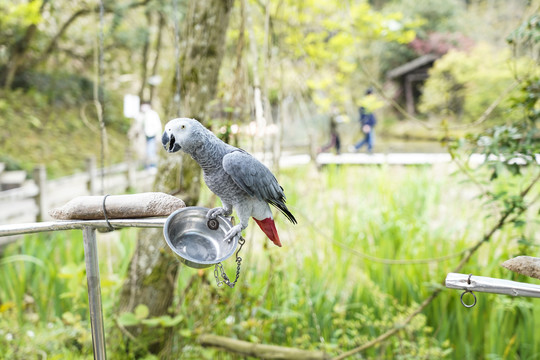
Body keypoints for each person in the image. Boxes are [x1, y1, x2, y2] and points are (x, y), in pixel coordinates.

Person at [137, 102, 162, 171]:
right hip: (144, 137)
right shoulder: (141, 115)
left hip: (152, 135)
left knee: (151, 151)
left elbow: (158, 125)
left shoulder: (153, 114)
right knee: (146, 152)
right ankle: (147, 166)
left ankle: (153, 166)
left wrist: (158, 135)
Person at [352, 88, 377, 154]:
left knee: (367, 138)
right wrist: (365, 124)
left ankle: (356, 147)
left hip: (370, 124)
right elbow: (363, 115)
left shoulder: (370, 103)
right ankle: (369, 151)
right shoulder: (364, 103)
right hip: (367, 124)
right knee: (370, 138)